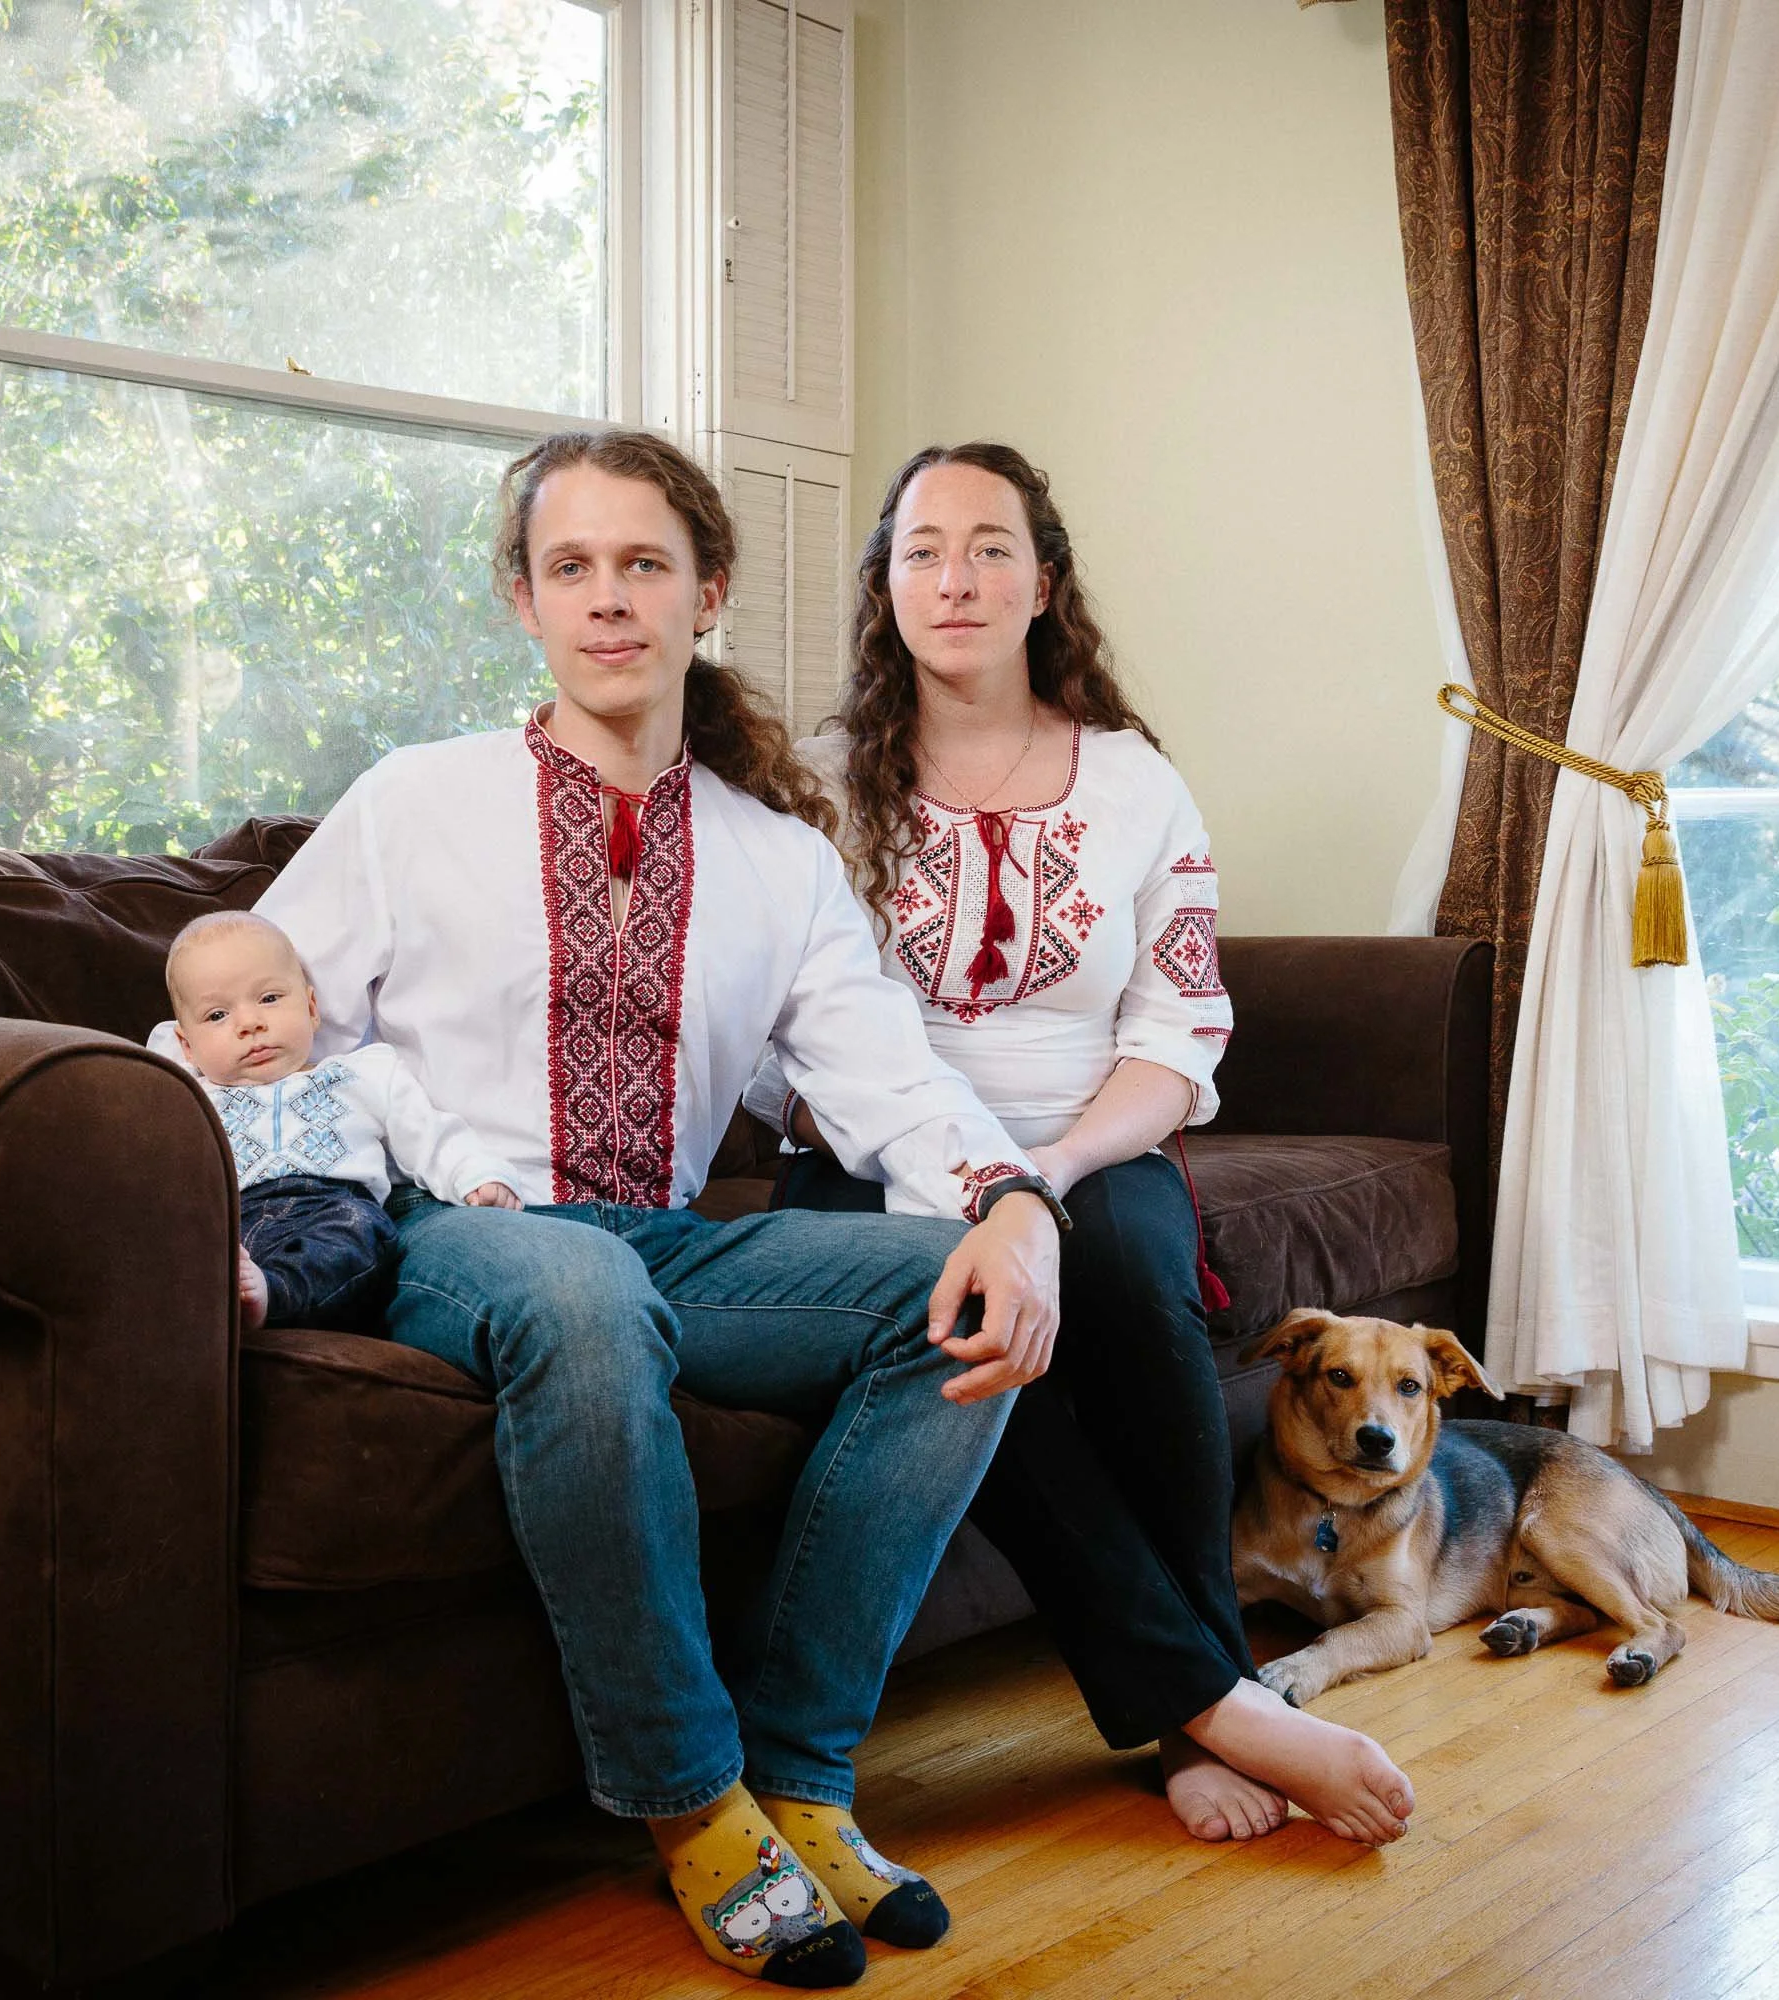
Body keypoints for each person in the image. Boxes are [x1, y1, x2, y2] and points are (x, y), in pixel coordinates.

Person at [224, 429, 1067, 1988]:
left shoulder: (780, 860)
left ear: (708, 595)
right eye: (571, 568)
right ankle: (690, 1801)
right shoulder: (414, 804)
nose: (608, 601)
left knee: (954, 1297)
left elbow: (889, 1076)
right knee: (579, 1295)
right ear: (524, 605)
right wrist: (205, 1202)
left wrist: (1014, 1206)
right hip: (451, 1230)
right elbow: (239, 1020)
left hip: (669, 1237)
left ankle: (802, 1774)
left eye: (644, 565)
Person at [752, 442, 1417, 1849]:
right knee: (968, 1325)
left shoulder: (1133, 782)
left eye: (992, 546)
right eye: (923, 548)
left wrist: (1037, 1181)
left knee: (1126, 1282)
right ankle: (1210, 1698)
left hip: (1091, 1143)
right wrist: (961, 1184)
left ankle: (1195, 1708)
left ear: (1044, 582)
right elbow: (775, 1044)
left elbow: (1181, 1029)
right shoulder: (809, 789)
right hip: (879, 1159)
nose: (957, 576)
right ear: (884, 586)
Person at [160, 909, 520, 1331]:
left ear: (312, 1008)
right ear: (186, 1044)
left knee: (364, 1232)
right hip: (233, 1218)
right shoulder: (189, 1096)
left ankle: (269, 1294)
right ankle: (233, 1290)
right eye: (217, 1016)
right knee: (181, 1244)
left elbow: (428, 1133)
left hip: (332, 1208)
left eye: (269, 998)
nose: (250, 1023)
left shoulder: (363, 1073)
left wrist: (475, 1174)